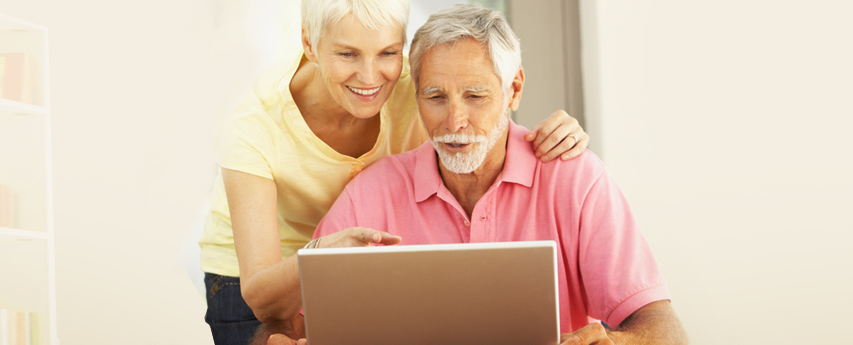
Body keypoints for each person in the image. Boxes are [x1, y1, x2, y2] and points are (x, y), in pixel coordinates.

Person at [264, 4, 687, 345]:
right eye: (436, 97)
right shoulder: (371, 195)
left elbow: (664, 327)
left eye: (475, 96)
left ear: (514, 90)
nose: (455, 121)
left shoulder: (575, 180)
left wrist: (620, 343)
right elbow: (286, 323)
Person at [199, 0, 594, 344]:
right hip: (261, 273)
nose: (370, 78)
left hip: (361, 257)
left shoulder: (421, 87)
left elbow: (486, 118)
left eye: (387, 53)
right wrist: (321, 254)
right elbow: (259, 294)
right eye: (348, 55)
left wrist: (556, 129)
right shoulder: (252, 124)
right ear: (309, 45)